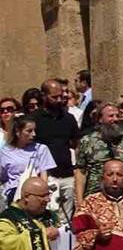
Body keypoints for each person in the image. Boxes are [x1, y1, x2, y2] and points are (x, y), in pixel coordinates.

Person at [30, 79, 80, 218]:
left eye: (60, 96)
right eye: (54, 97)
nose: (58, 100)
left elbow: (76, 143)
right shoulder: (35, 119)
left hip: (67, 174)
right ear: (44, 96)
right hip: (47, 176)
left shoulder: (68, 118)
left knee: (66, 219)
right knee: (49, 216)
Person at [74, 102, 123, 203]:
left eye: (118, 116)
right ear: (100, 119)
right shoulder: (87, 141)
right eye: (111, 116)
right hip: (95, 198)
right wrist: (79, 201)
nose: (115, 119)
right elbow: (80, 172)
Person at [0, 117, 57, 204]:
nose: (34, 134)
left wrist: (43, 194)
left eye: (34, 130)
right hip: (14, 194)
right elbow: (3, 176)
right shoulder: (5, 152)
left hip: (35, 194)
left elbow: (44, 175)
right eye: (29, 131)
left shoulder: (41, 149)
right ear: (17, 132)